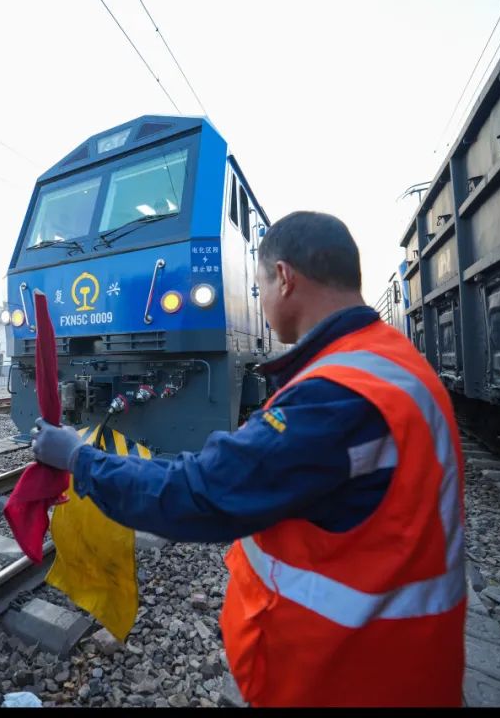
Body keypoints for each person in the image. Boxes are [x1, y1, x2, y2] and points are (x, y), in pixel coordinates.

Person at [31, 211, 466, 707]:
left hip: (352, 677)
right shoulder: (390, 362)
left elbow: (201, 492)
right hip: (391, 662)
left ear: (284, 278)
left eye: (258, 288)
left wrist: (82, 460)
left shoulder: (337, 396)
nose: (259, 301)